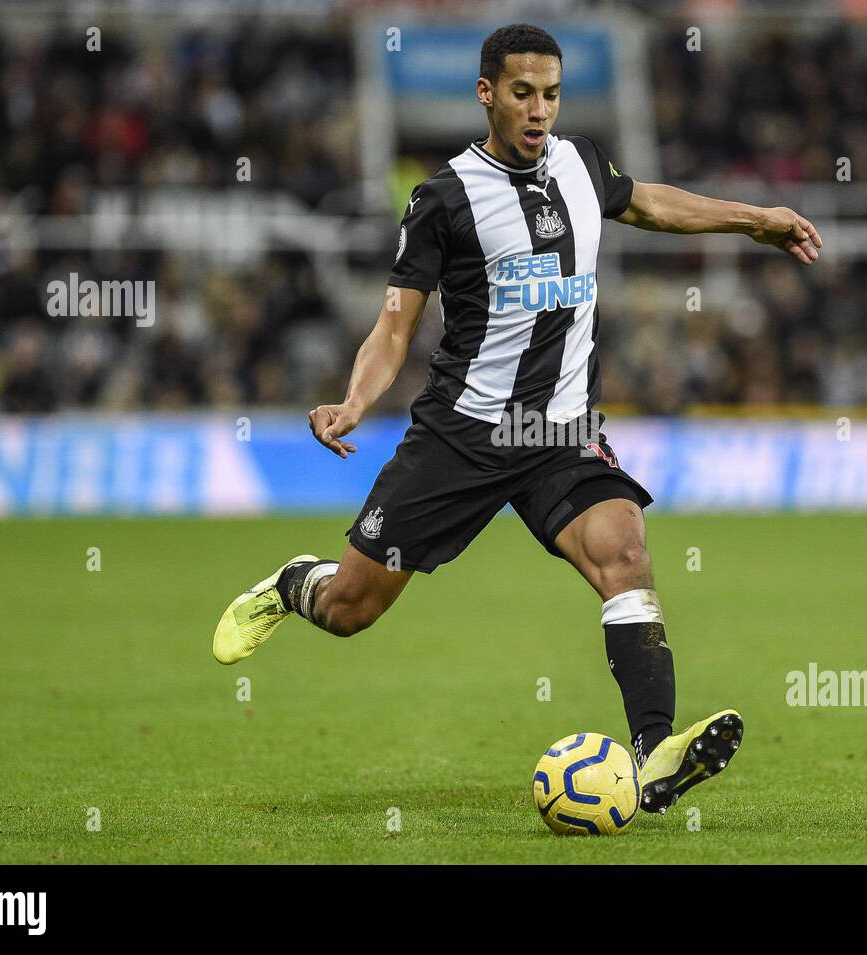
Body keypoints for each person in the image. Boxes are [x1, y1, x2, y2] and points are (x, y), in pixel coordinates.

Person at [213, 23, 821, 814]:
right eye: (525, 94)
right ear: (487, 94)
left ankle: (654, 753)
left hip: (558, 432)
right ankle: (297, 583)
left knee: (624, 552)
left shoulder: (581, 162)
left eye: (553, 94)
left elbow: (653, 204)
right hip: (461, 436)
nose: (541, 111)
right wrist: (354, 400)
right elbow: (395, 322)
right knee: (351, 609)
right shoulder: (443, 198)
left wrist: (752, 218)